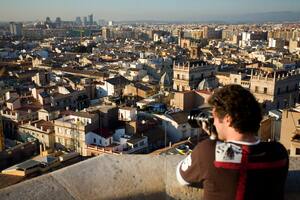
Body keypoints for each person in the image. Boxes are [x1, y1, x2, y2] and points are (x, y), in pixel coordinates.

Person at [176, 84, 289, 200]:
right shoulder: (279, 152)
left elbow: (181, 176)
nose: (213, 123)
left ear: (228, 119)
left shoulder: (208, 152)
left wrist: (213, 140)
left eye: (214, 117)